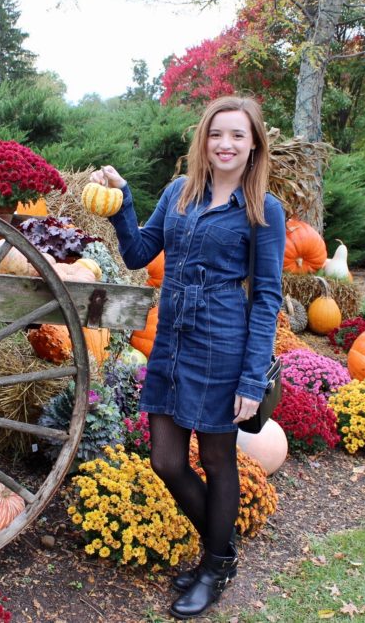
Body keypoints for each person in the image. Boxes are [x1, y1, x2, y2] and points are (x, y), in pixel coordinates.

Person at [91, 96, 284, 619]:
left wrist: (251, 377)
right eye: (217, 133)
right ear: (204, 139)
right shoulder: (180, 192)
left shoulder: (262, 206)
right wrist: (123, 200)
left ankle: (215, 565)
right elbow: (137, 253)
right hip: (171, 339)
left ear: (253, 144)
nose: (225, 144)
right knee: (166, 461)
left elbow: (267, 295)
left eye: (237, 135)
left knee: (219, 461)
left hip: (224, 342)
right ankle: (222, 554)